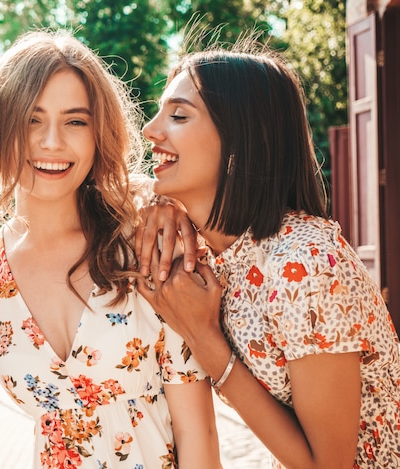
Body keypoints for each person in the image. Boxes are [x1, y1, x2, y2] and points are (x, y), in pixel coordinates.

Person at [0, 30, 222, 468]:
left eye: (75, 120)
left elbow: (199, 432)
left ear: (99, 134)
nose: (52, 141)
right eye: (32, 119)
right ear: (0, 130)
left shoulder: (147, 243)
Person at [137, 33, 400, 469]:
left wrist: (206, 341)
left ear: (240, 140)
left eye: (178, 116)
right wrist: (157, 202)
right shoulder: (226, 252)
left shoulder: (305, 264)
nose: (150, 130)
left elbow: (329, 466)